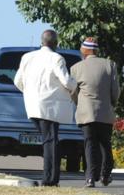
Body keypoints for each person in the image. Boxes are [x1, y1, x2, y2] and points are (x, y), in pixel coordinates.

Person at [14, 29, 77, 186]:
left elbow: (17, 81)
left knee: (47, 140)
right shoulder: (56, 58)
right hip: (49, 107)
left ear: (41, 42)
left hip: (32, 106)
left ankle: (49, 178)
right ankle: (50, 180)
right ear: (55, 43)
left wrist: (30, 93)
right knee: (51, 142)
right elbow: (66, 81)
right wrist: (77, 85)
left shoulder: (27, 57)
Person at [70, 37, 120, 187]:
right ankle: (105, 175)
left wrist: (80, 104)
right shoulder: (109, 65)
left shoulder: (76, 68)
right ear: (96, 50)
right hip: (105, 111)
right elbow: (115, 91)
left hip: (86, 113)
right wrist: (111, 103)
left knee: (90, 144)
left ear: (85, 50)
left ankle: (90, 178)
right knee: (105, 144)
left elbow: (73, 92)